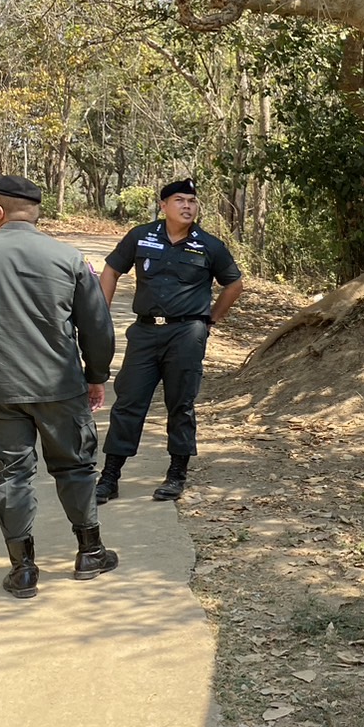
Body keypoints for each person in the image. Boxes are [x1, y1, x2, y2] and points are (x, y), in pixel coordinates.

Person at [0, 174, 118, 598]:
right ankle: (90, 552)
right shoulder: (69, 257)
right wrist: (96, 375)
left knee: (11, 475)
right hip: (60, 387)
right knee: (76, 466)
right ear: (34, 213)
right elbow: (97, 326)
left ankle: (24, 570)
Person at [95, 178, 244, 503]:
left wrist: (210, 320)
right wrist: (100, 314)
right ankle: (109, 477)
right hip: (145, 333)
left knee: (181, 404)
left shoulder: (209, 245)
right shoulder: (141, 236)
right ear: (163, 206)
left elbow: (234, 284)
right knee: (128, 403)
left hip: (186, 334)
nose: (187, 206)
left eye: (192, 201)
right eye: (179, 200)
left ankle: (176, 475)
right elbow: (111, 271)